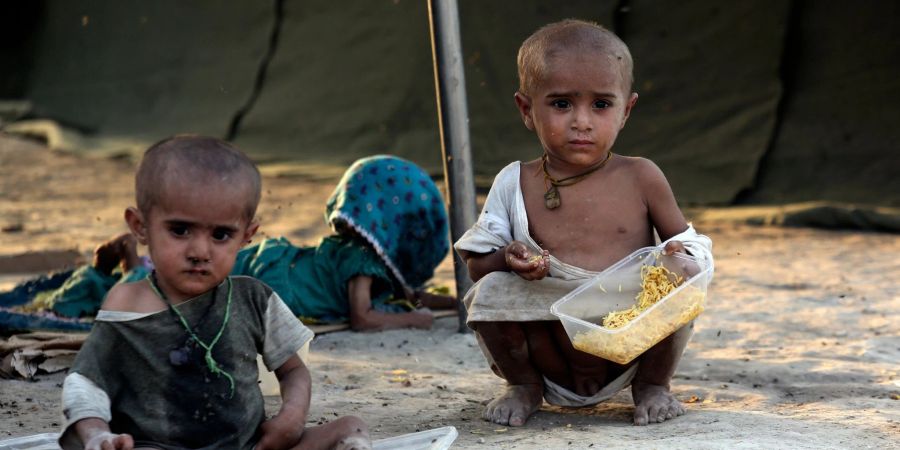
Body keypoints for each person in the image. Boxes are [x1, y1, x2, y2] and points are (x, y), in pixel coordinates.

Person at [454, 19, 715, 428]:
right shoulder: (514, 182)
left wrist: (679, 254)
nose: (582, 121)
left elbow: (692, 248)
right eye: (561, 104)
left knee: (680, 274)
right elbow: (477, 264)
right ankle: (522, 386)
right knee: (489, 291)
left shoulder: (642, 176)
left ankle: (653, 385)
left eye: (601, 105)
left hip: (629, 341)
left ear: (626, 110)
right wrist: (509, 257)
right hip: (547, 340)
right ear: (527, 109)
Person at [59, 135, 370, 449]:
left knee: (350, 428)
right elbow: (86, 382)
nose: (199, 251)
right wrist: (98, 435)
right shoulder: (127, 302)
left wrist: (292, 417)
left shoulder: (254, 299)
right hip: (157, 445)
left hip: (248, 445)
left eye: (221, 234)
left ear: (247, 235)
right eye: (180, 230)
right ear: (140, 226)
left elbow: (293, 371)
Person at [1, 155, 455, 333]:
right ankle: (117, 269)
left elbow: (405, 296)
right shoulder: (363, 265)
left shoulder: (349, 249)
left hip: (276, 262)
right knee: (173, 292)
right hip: (271, 281)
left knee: (181, 274)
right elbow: (364, 316)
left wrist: (441, 302)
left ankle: (134, 261)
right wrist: (417, 320)